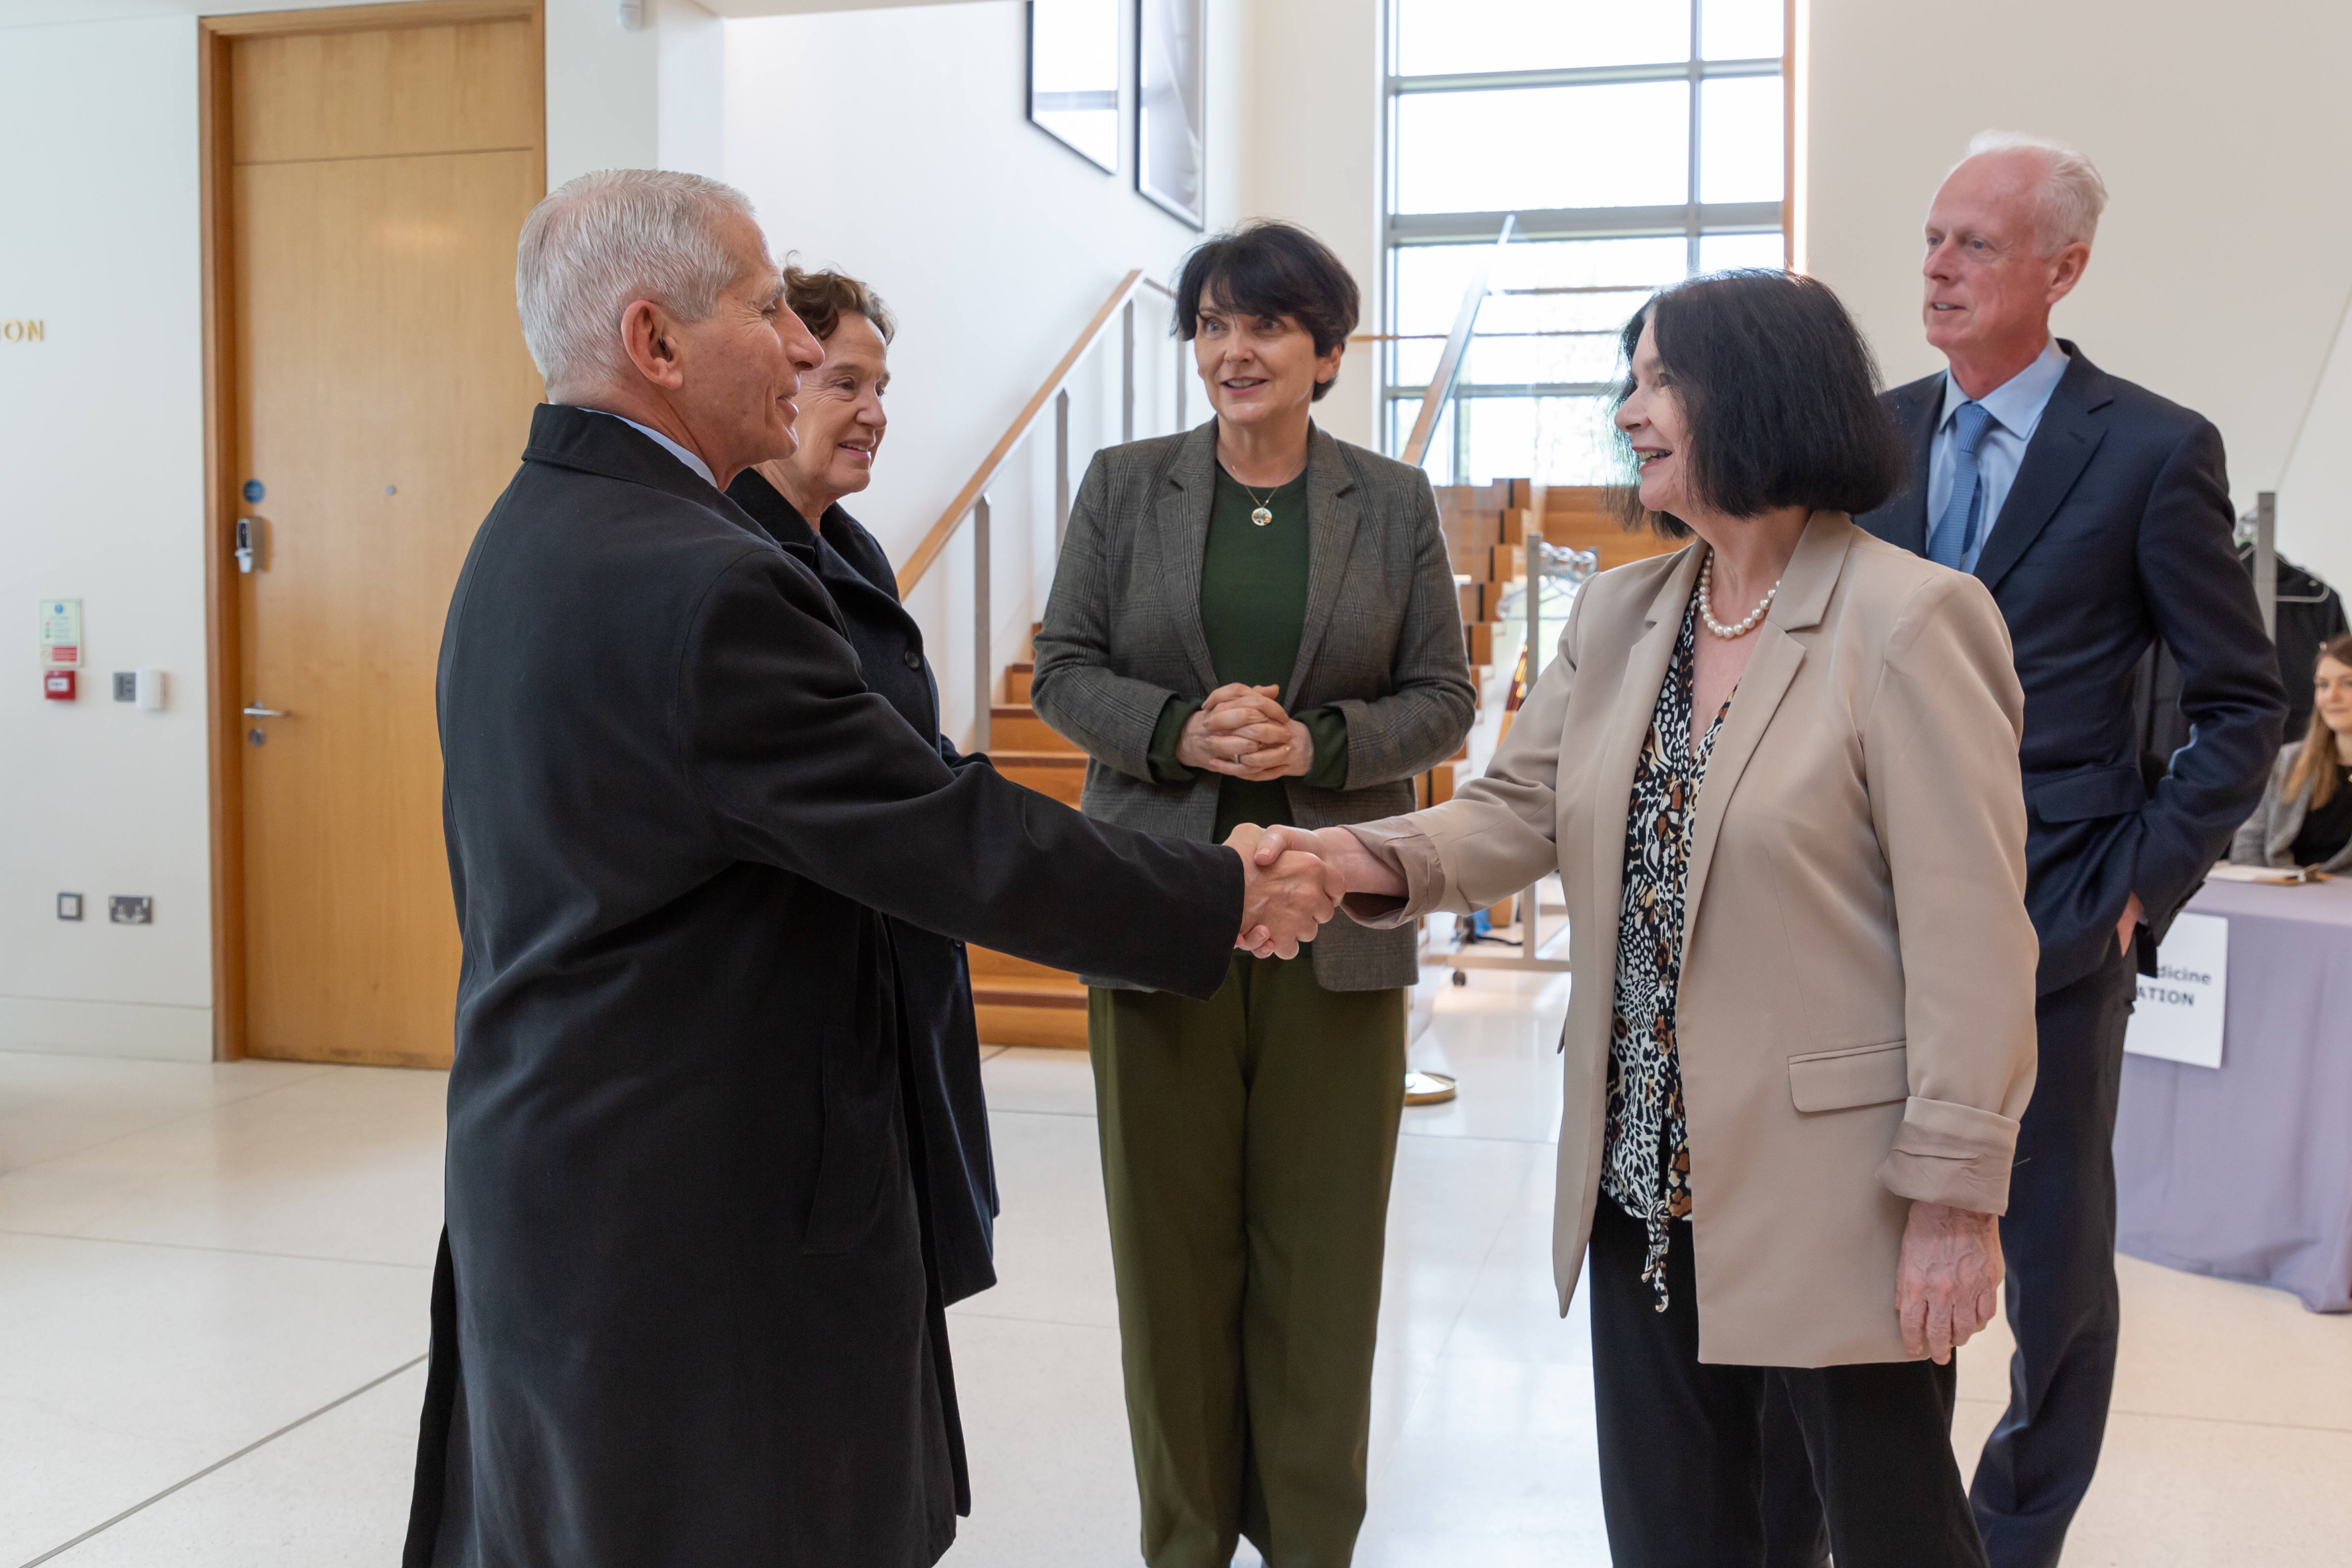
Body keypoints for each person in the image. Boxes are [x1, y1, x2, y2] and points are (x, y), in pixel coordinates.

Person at [405, 169, 1344, 1568]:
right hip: (700, 1220)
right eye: (768, 304)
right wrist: (1227, 888)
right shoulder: (701, 580)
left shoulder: (530, 530)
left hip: (570, 1182)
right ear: (656, 342)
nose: (798, 342)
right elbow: (946, 833)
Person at [1257, 268, 2038, 1568]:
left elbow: (1970, 933)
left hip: (1838, 1192)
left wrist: (1953, 1200)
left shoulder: (1909, 620)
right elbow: (1512, 814)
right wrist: (1343, 856)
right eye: (1630, 379)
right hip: (1640, 1180)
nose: (1628, 411)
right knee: (1677, 1539)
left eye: (1658, 377)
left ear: (1758, 394)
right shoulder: (1623, 612)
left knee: (1892, 1533)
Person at [1760, 132, 2287, 1568]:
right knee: (1861, 1247)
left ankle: (2011, 1537)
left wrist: (2136, 887)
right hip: (1863, 914)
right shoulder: (1867, 438)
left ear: (2062, 267)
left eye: (1974, 245)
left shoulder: (2149, 446)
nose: (1936, 265)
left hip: (2054, 910)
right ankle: (1881, 1528)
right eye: (1932, 238)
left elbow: (2243, 700)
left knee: (2046, 1270)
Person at [1028, 220, 1475, 1567]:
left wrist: (1319, 747)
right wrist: (1177, 730)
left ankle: (1308, 1543)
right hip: (1160, 916)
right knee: (1168, 1259)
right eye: (1215, 325)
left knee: (1321, 1261)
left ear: (1325, 352)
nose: (1235, 350)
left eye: (1268, 326)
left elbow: (1442, 697)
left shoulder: (1389, 502)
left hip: (1332, 926)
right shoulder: (1123, 485)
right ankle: (1180, 1538)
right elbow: (1061, 669)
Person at [719, 269, 1003, 1307]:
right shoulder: (730, 561)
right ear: (781, 370)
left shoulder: (849, 547)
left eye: (882, 388)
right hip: (805, 1022)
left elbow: (916, 763)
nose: (874, 414)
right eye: (844, 382)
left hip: (900, 975)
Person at [2231, 633, 2352, 872]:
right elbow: (2248, 844)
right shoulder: (2288, 761)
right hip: (2279, 902)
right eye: (2323, 685)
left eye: (2348, 683)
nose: (2332, 696)